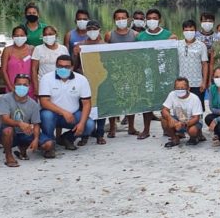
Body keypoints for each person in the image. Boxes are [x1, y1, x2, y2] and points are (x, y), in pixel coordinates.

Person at [135, 9, 177, 140]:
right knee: (147, 102)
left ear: (160, 20)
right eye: (149, 18)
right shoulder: (140, 36)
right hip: (147, 73)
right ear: (146, 20)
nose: (152, 20)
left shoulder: (168, 34)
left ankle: (167, 128)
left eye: (155, 18)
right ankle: (146, 129)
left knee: (166, 102)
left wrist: (174, 41)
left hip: (164, 74)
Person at [38, 55, 95, 151]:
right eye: (60, 66)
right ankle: (49, 143)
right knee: (46, 115)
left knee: (89, 125)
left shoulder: (81, 79)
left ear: (72, 67)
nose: (63, 69)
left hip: (73, 115)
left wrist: (81, 123)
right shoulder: (46, 78)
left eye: (67, 67)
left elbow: (86, 103)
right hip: (52, 114)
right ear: (56, 66)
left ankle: (67, 139)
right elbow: (44, 102)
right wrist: (64, 112)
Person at [0, 73, 55, 163]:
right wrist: (19, 123)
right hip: (9, 134)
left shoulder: (33, 104)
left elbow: (36, 123)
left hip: (26, 133)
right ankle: (8, 156)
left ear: (29, 86)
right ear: (14, 85)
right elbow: (5, 119)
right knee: (8, 130)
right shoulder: (5, 99)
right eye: (19, 84)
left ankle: (24, 147)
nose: (22, 87)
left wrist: (36, 139)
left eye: (25, 85)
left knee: (49, 144)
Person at [105, 9, 139, 137]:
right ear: (114, 20)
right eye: (118, 18)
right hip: (114, 72)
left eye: (123, 17)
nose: (121, 20)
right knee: (113, 99)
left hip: (131, 71)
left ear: (128, 19)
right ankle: (112, 127)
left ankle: (131, 127)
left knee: (131, 99)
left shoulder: (135, 35)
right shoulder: (109, 35)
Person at [72, 20, 106, 145]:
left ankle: (100, 134)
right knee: (85, 107)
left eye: (94, 28)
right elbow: (74, 67)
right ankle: (85, 135)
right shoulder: (81, 46)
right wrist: (75, 55)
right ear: (86, 31)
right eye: (89, 29)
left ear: (99, 30)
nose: (92, 31)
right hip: (85, 82)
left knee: (101, 106)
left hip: (100, 79)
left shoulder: (105, 45)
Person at [160, 77, 204, 148]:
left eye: (182, 88)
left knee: (192, 131)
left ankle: (195, 137)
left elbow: (196, 118)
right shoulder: (172, 94)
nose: (180, 90)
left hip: (191, 122)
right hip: (178, 119)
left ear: (188, 88)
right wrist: (170, 118)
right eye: (177, 88)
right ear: (174, 88)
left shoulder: (195, 98)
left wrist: (183, 124)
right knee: (164, 120)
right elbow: (164, 110)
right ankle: (175, 138)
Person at [178, 20, 209, 108]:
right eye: (186, 30)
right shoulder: (178, 44)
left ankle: (198, 122)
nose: (189, 32)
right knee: (182, 107)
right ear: (183, 31)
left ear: (195, 31)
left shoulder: (201, 45)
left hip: (197, 83)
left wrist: (204, 82)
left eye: (191, 30)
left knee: (197, 107)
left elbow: (204, 64)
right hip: (182, 83)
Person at [31, 26, 69, 94]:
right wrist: (36, 87)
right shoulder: (38, 49)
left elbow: (68, 67)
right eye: (45, 34)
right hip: (43, 83)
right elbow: (34, 69)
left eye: (50, 34)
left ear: (56, 35)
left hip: (60, 82)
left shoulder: (63, 49)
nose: (48, 36)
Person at [1, 26, 34, 97]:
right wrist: (10, 87)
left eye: (22, 35)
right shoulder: (7, 50)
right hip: (12, 87)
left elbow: (35, 69)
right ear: (12, 37)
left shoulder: (32, 49)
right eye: (16, 35)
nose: (19, 38)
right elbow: (3, 70)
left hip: (29, 88)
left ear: (26, 36)